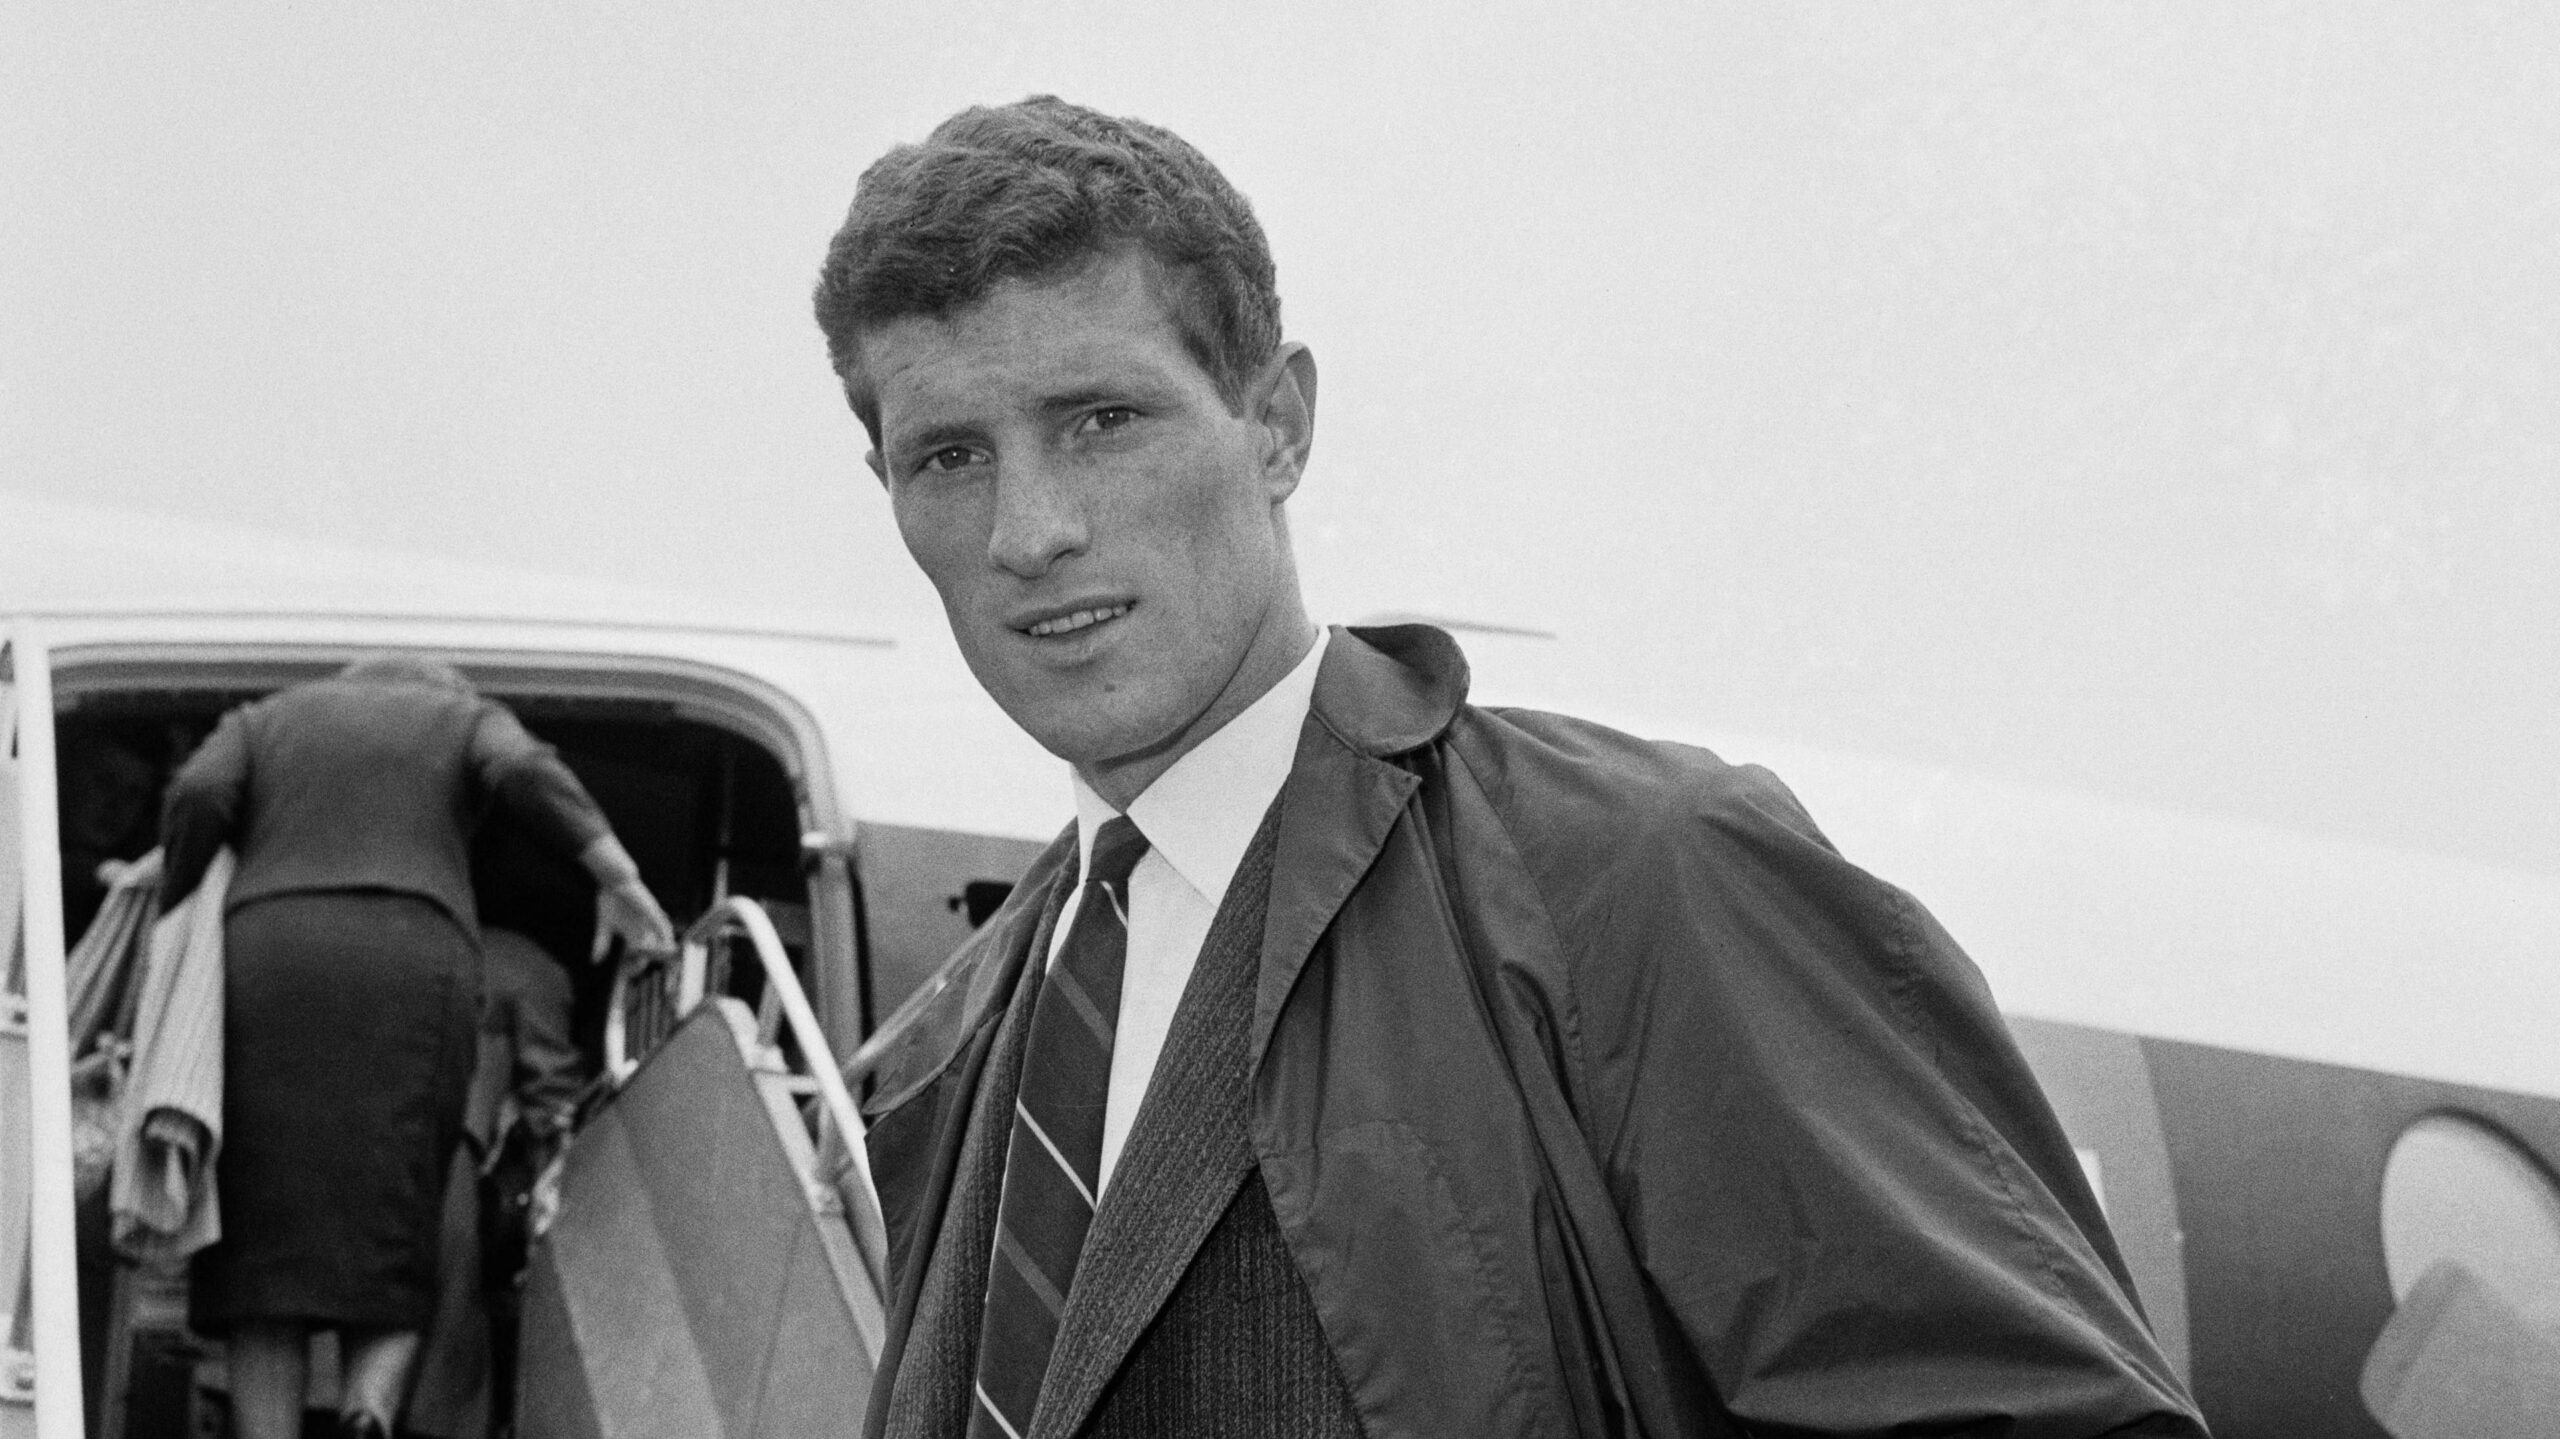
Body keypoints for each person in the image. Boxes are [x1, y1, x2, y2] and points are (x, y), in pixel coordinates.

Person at [811, 97, 2208, 1437]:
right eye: (950, 457)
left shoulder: (1636, 878)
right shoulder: (957, 1044)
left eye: (1104, 420)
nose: (1028, 530)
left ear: (1278, 423)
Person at [159, 656, 673, 1439]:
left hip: (270, 960)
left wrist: (178, 896)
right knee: (400, 1222)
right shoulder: (461, 717)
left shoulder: (262, 720)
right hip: (413, 962)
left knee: (264, 1250)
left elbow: (198, 792)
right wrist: (618, 875)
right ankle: (367, 1415)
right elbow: (524, 770)